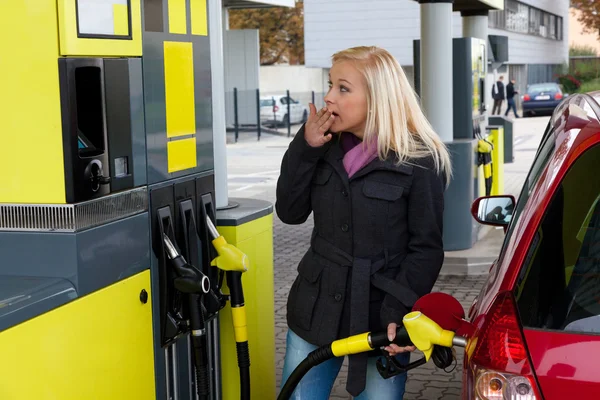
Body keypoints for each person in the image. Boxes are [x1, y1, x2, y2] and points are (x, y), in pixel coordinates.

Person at [276, 46, 451, 399]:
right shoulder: (320, 145)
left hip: (381, 318)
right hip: (316, 307)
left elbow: (426, 248)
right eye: (330, 85)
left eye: (343, 88)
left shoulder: (418, 158)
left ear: (378, 98)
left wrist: (400, 313)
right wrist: (304, 148)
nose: (327, 97)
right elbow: (289, 212)